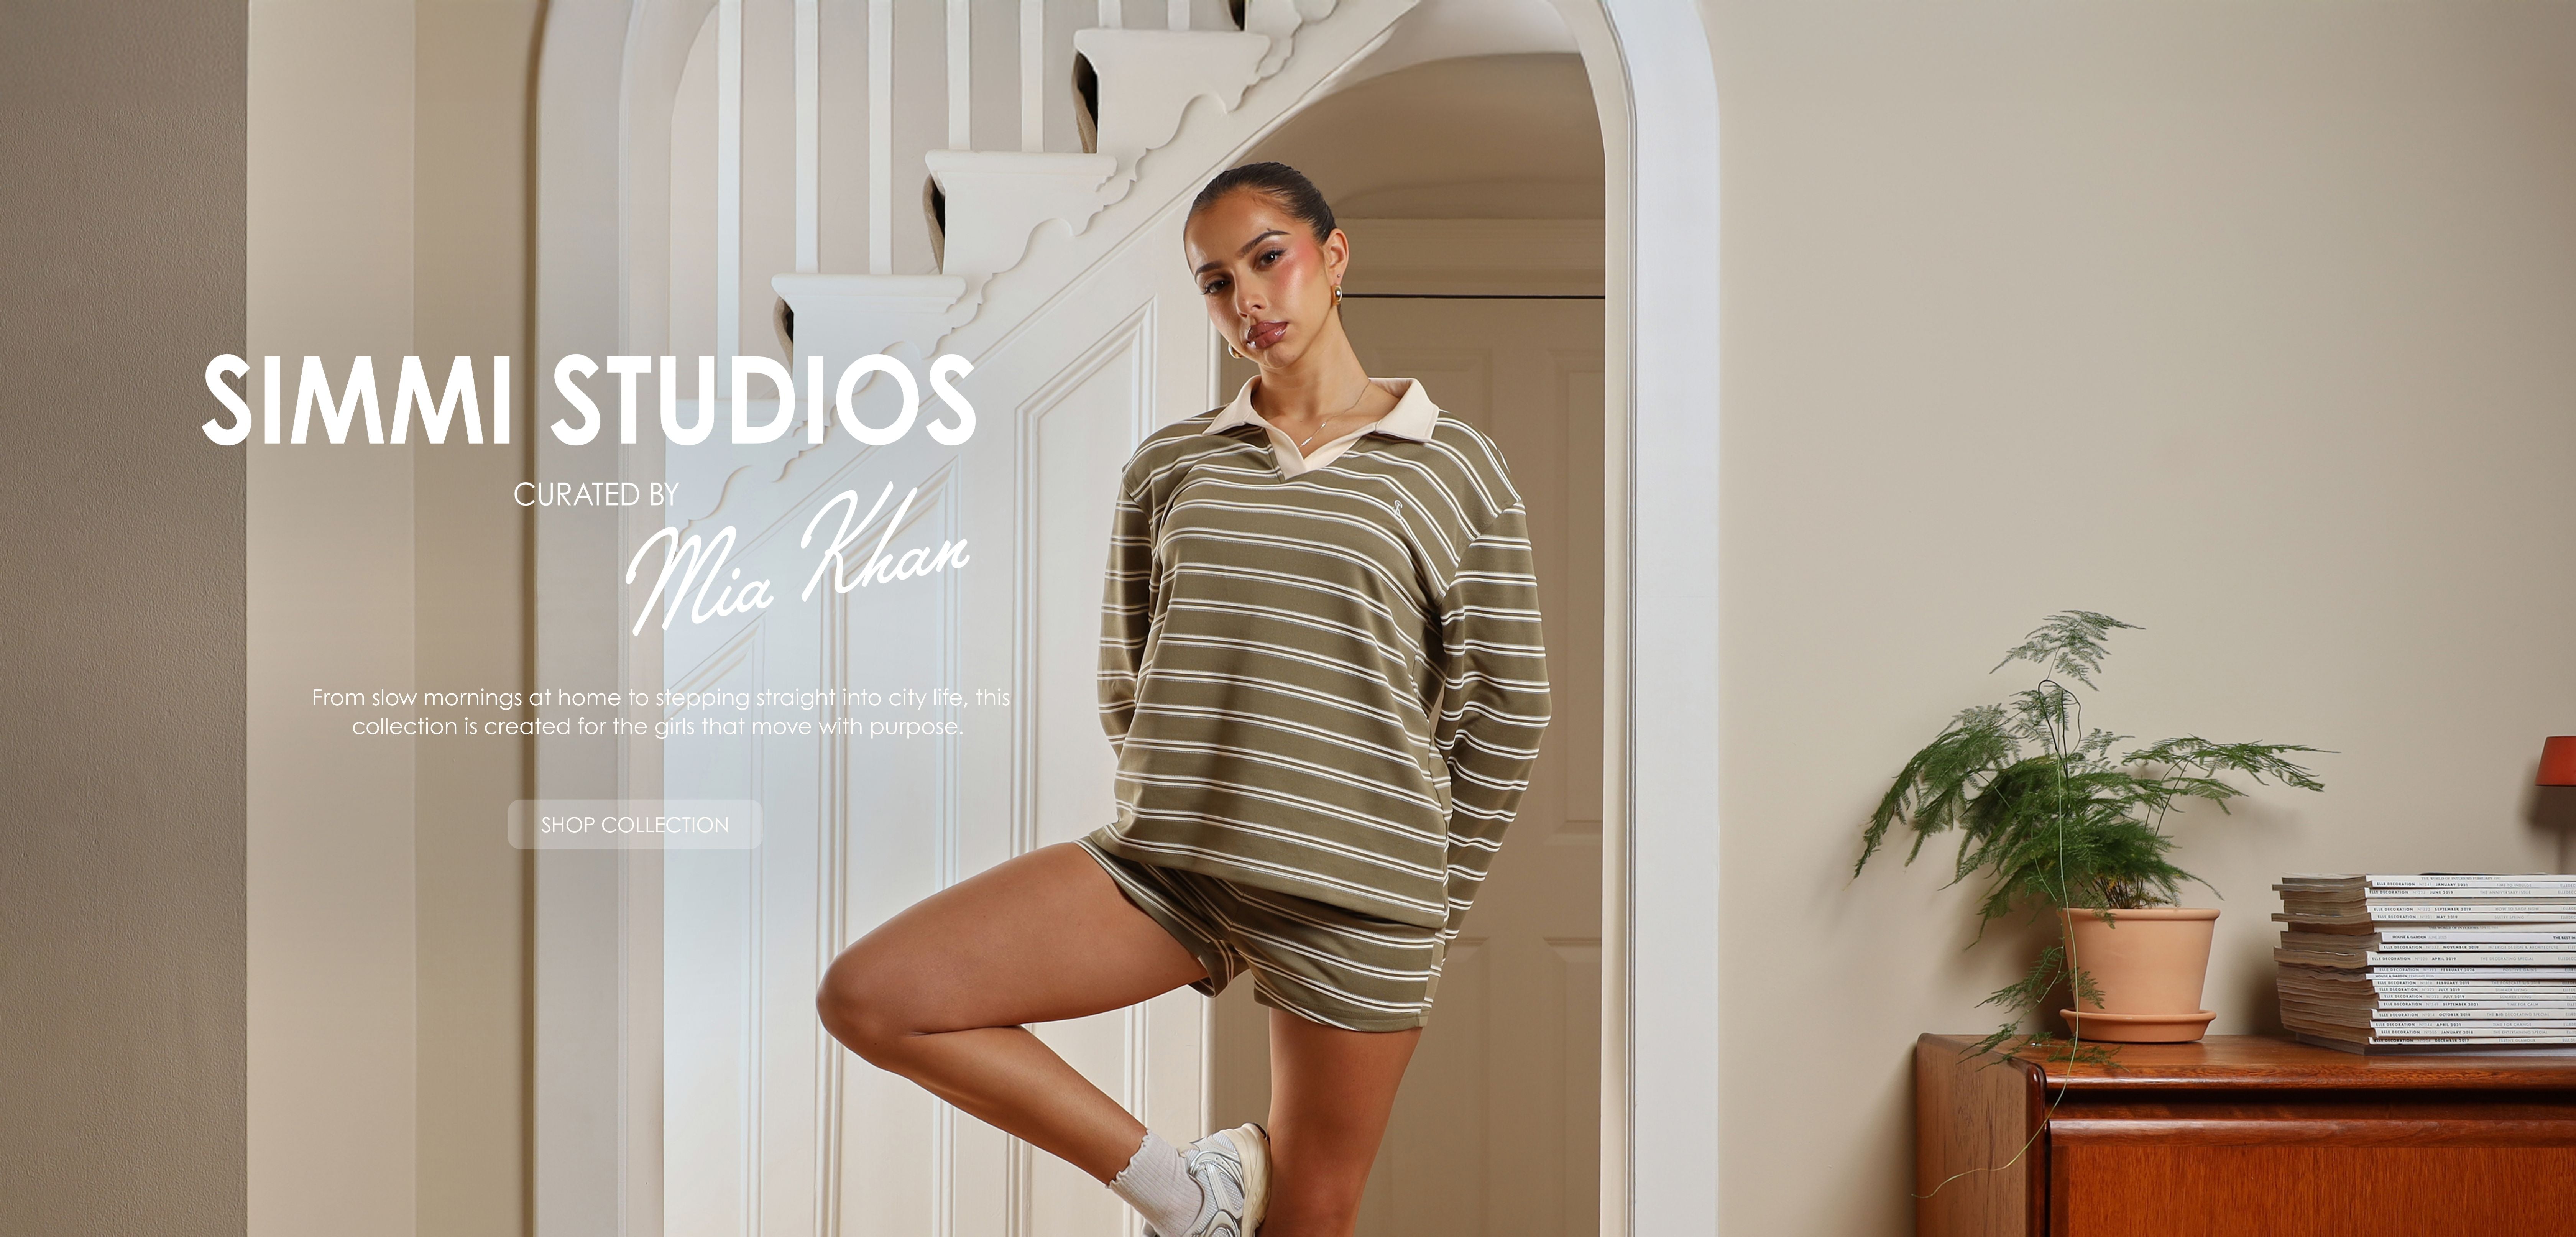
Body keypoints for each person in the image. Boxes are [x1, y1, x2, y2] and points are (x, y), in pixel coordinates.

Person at [816, 161, 1551, 1237]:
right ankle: (1187, 1192)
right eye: (1216, 282)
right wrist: (1206, 789)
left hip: (1364, 899)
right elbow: (1131, 676)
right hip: (1177, 864)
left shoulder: (1453, 467)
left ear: (1333, 257)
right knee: (875, 993)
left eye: (1269, 259)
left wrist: (1430, 904)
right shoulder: (1172, 466)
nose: (1248, 300)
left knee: (1312, 1217)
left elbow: (1508, 710)